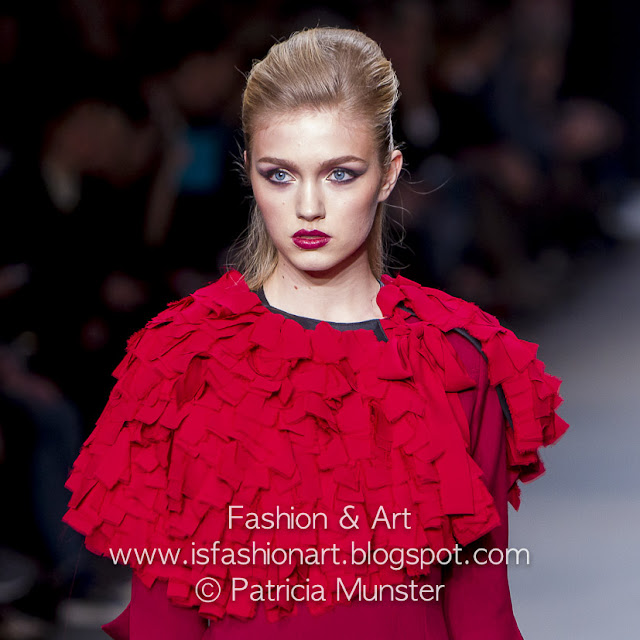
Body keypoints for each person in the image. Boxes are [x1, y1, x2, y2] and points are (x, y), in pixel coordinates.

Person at [63, 27, 568, 639]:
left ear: (388, 174)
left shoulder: (455, 357)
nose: (308, 206)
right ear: (248, 172)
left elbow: (480, 605)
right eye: (280, 175)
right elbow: (164, 617)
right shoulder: (183, 359)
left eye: (340, 174)